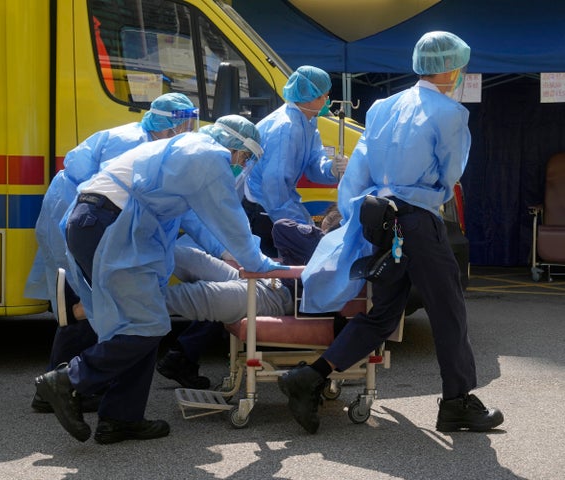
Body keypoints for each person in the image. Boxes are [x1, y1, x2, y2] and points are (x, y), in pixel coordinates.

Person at [278, 31, 504, 435]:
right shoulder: (451, 113)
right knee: (448, 311)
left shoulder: (383, 106)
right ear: (453, 68)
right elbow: (451, 174)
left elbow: (360, 169)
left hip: (381, 219)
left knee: (381, 315)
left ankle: (309, 377)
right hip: (417, 219)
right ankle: (457, 403)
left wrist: (351, 219)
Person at [34, 115, 286, 444]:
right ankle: (69, 380)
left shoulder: (186, 150)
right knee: (147, 323)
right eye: (247, 157)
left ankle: (121, 418)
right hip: (110, 225)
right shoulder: (209, 157)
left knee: (140, 324)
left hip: (98, 221)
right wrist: (260, 263)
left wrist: (227, 254)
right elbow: (229, 216)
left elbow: (196, 219)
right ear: (235, 147)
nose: (243, 165)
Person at [25, 93, 197, 413]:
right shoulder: (134, 144)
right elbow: (113, 198)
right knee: (89, 305)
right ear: (171, 124)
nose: (190, 131)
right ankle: (59, 386)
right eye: (186, 123)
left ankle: (64, 386)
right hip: (79, 222)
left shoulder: (146, 140)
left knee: (90, 304)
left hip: (78, 220)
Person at [156, 204, 342, 389]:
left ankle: (135, 302)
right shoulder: (329, 250)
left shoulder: (340, 254)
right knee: (190, 259)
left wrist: (322, 238)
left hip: (276, 297)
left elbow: (282, 227)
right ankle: (135, 269)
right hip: (269, 280)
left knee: (202, 295)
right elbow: (282, 229)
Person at [242, 65, 348, 257]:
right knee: (273, 272)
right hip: (263, 207)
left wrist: (331, 168)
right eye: (321, 96)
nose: (327, 100)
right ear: (307, 97)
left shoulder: (307, 122)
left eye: (327, 95)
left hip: (276, 204)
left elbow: (314, 162)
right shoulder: (286, 128)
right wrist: (301, 225)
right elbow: (274, 187)